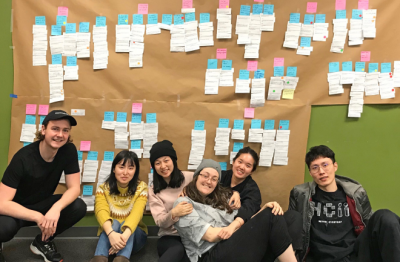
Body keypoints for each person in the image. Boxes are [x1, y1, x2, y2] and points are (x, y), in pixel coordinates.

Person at [0, 110, 87, 262]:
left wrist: (56, 208)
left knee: (78, 206)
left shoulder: (68, 151)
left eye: (65, 130)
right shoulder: (22, 158)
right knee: (3, 228)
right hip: (16, 210)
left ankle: (42, 242)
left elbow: (74, 188)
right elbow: (2, 203)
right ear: (43, 129)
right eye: (55, 128)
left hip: (42, 204)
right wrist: (37, 217)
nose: (60, 134)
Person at [289, 145, 400, 262]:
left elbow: (369, 225)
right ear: (310, 173)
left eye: (325, 165)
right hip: (319, 257)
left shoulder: (356, 193)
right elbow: (292, 228)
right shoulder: (300, 194)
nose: (321, 171)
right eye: (315, 167)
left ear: (335, 166)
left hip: (354, 255)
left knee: (385, 216)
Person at [174, 159, 298, 262]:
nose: (208, 181)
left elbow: (246, 223)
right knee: (271, 217)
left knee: (291, 216)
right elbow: (211, 236)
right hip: (210, 255)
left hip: (232, 245)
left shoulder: (220, 199)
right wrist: (235, 229)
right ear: (196, 177)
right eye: (205, 176)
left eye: (214, 179)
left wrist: (263, 210)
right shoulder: (184, 203)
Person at [148, 140, 241, 262]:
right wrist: (173, 213)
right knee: (177, 251)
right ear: (153, 166)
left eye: (166, 160)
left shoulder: (190, 177)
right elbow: (160, 222)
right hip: (171, 236)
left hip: (195, 232)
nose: (163, 166)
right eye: (157, 163)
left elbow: (213, 184)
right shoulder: (153, 190)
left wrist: (236, 193)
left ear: (173, 160)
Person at [221, 147, 303, 253]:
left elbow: (246, 213)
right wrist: (233, 192)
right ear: (233, 161)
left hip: (242, 231)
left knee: (293, 217)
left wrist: (231, 228)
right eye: (240, 162)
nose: (241, 167)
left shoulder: (252, 189)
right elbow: (203, 184)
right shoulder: (220, 176)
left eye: (248, 165)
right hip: (218, 224)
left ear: (252, 171)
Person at [90, 150, 148, 262]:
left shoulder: (141, 188)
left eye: (130, 168)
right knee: (115, 222)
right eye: (121, 167)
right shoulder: (103, 188)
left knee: (128, 225)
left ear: (135, 171)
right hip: (110, 237)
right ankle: (99, 258)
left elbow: (136, 214)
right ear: (114, 169)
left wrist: (122, 239)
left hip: (134, 237)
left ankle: (121, 259)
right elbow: (101, 211)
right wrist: (112, 235)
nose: (125, 172)